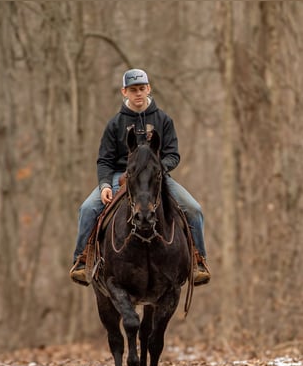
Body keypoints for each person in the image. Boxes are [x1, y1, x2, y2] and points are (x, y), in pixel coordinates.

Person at [69, 68, 211, 287]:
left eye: (142, 89)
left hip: (157, 178)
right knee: (87, 209)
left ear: (149, 89)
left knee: (194, 209)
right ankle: (82, 259)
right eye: (133, 89)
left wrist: (158, 169)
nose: (138, 94)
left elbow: (173, 154)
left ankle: (197, 261)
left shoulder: (163, 120)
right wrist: (105, 184)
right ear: (124, 92)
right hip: (121, 176)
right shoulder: (115, 124)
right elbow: (104, 160)